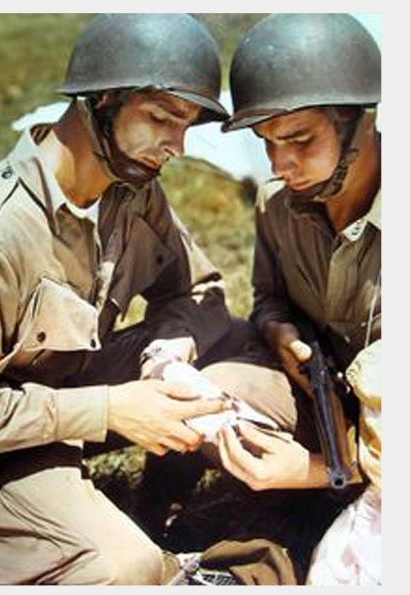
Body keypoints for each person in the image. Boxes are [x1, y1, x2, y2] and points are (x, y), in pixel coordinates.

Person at [0, 13, 245, 585]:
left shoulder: (133, 193)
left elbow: (201, 293)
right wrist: (113, 409)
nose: (178, 146)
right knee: (126, 569)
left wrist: (167, 354)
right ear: (101, 100)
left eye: (186, 126)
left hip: (70, 390)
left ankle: (161, 510)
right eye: (161, 119)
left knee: (242, 340)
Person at [215, 13, 381, 584]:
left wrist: (320, 470)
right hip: (329, 406)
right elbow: (267, 298)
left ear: (360, 121)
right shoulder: (277, 205)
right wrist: (279, 332)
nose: (280, 165)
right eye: (267, 143)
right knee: (219, 391)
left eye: (300, 140)